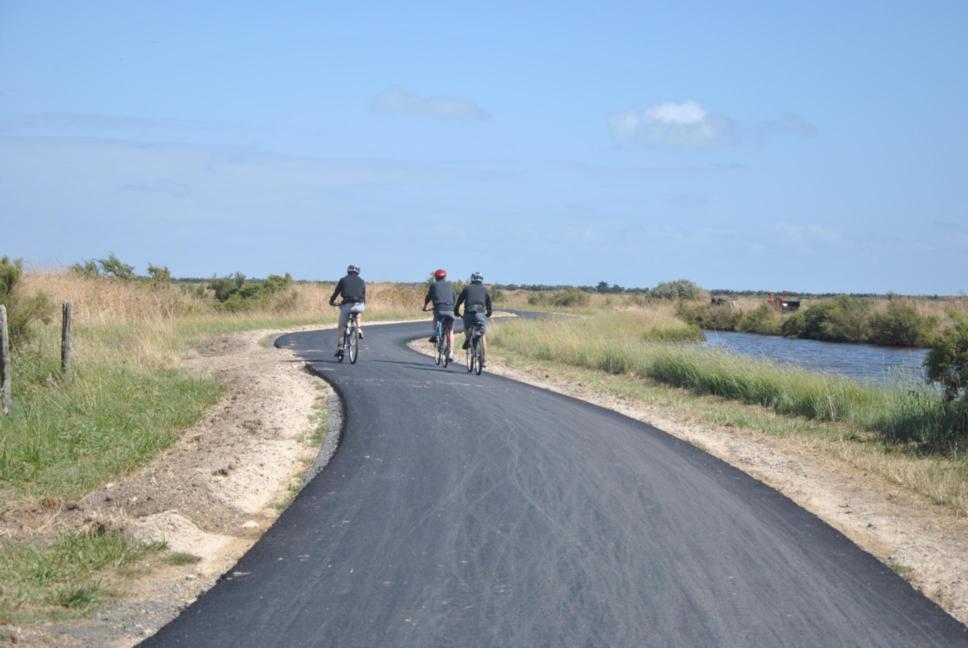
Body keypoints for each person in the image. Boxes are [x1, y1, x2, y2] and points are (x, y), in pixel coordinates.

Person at [329, 264, 366, 360]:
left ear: (348, 271)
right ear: (358, 272)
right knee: (358, 313)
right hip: (359, 305)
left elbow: (336, 292)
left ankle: (340, 347)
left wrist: (331, 301)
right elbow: (363, 294)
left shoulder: (343, 280)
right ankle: (358, 329)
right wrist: (362, 304)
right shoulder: (362, 281)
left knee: (341, 326)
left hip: (347, 305)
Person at [454, 271, 492, 365]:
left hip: (469, 312)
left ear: (472, 279)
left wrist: (456, 311)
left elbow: (459, 301)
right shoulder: (485, 290)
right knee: (482, 335)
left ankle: (467, 338)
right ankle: (484, 361)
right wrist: (489, 313)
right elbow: (489, 304)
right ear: (481, 280)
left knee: (467, 327)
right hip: (480, 313)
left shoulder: (467, 288)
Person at [423, 268, 457, 360]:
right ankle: (450, 352)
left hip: (439, 309)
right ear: (445, 277)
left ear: (436, 277)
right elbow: (454, 297)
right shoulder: (450, 285)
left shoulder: (434, 285)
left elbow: (428, 297)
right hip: (451, 309)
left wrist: (425, 306)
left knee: (436, 318)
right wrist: (454, 307)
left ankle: (435, 334)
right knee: (450, 331)